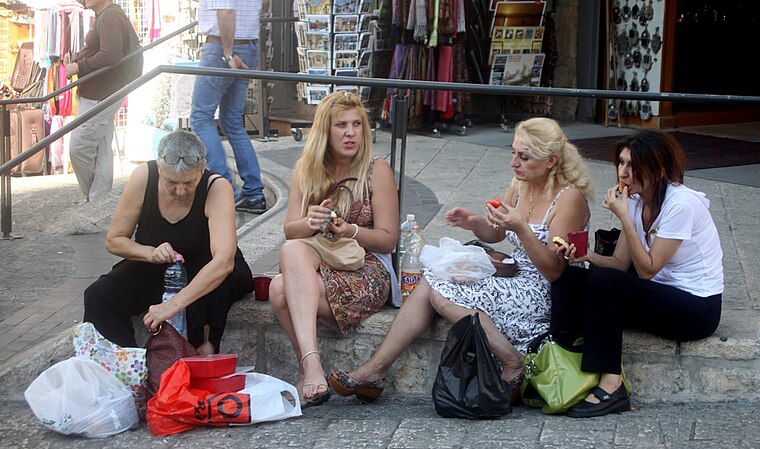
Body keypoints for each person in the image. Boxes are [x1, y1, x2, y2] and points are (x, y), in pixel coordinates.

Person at [327, 117, 592, 403]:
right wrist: (475, 223)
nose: (514, 162)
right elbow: (496, 233)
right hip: (515, 276)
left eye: (524, 157)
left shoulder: (569, 199)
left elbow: (555, 271)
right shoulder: (521, 184)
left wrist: (521, 228)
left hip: (545, 291)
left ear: (551, 160)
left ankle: (512, 361)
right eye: (514, 152)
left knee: (439, 293)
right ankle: (376, 370)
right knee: (432, 278)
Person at [552, 130, 724, 418]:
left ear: (658, 171)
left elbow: (647, 270)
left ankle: (611, 385)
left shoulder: (681, 205)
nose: (624, 173)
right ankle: (561, 363)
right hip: (660, 297)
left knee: (606, 283)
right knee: (570, 278)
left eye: (633, 166)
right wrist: (584, 256)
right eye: (621, 163)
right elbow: (620, 263)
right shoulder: (634, 200)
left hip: (697, 308)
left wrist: (623, 217)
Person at [268, 91, 400, 408]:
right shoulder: (307, 168)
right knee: (288, 261)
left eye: (357, 125)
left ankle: (309, 371)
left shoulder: (375, 169)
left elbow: (388, 239)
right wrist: (311, 221)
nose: (351, 133)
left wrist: (352, 230)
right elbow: (290, 230)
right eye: (341, 125)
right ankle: (312, 367)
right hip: (321, 261)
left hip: (366, 269)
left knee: (280, 288)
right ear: (325, 130)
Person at [83, 130, 253, 353]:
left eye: (190, 182)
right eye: (171, 182)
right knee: (100, 295)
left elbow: (223, 262)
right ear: (159, 168)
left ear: (201, 170)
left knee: (205, 296)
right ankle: (127, 366)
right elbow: (114, 240)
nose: (181, 190)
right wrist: (150, 253)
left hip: (208, 267)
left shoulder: (217, 187)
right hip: (155, 266)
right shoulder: (144, 176)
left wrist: (171, 306)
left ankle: (200, 359)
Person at [189, 0, 268, 214]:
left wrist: (228, 53)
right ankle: (253, 192)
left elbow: (225, 11)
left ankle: (225, 191)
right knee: (232, 120)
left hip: (224, 46)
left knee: (200, 118)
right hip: (249, 44)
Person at [66, 0, 137, 200]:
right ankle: (99, 199)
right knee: (102, 147)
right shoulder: (106, 15)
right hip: (99, 92)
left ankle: (95, 199)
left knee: (79, 147)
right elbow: (104, 52)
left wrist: (79, 67)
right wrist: (78, 58)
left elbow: (111, 55)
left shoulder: (110, 16)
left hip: (101, 93)